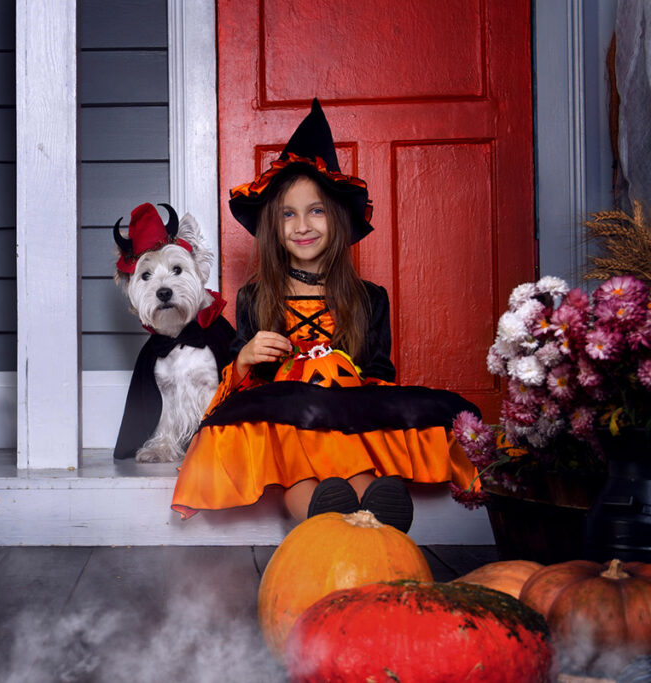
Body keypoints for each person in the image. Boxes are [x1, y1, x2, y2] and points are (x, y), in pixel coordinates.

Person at [170, 100, 481, 531]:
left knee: (354, 452)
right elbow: (240, 379)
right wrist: (247, 358)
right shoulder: (257, 297)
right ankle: (325, 518)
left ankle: (375, 513)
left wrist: (344, 380)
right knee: (300, 465)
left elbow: (378, 374)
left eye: (315, 210)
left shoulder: (368, 299)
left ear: (335, 218)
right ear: (274, 227)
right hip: (285, 424)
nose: (302, 225)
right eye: (288, 214)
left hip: (347, 417)